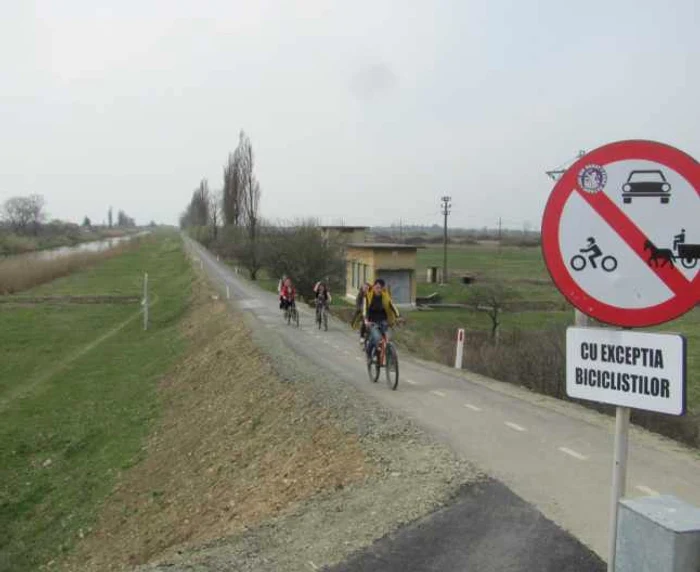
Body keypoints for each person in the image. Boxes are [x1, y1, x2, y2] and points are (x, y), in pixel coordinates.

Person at [363, 278, 400, 361]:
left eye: (380, 288)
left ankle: (391, 361)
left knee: (389, 339)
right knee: (376, 337)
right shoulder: (368, 296)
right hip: (372, 322)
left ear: (383, 288)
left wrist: (398, 316)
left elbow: (392, 306)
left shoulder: (385, 297)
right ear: (374, 287)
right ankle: (369, 353)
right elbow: (364, 309)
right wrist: (366, 320)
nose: (378, 290)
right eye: (377, 287)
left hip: (383, 321)